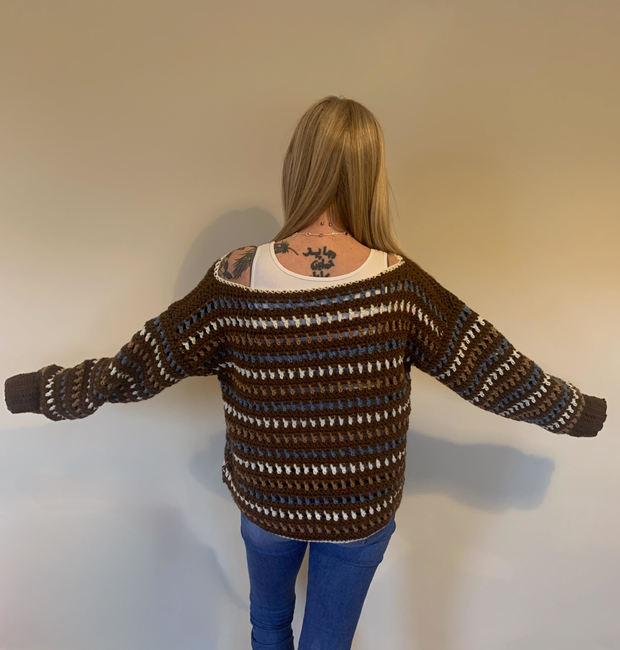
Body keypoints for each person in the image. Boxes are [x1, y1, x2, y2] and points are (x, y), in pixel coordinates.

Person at [4, 95, 608, 650]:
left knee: (268, 624)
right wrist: (572, 410)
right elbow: (488, 365)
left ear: (298, 167)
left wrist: (45, 391)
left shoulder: (237, 276)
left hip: (267, 499)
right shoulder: (399, 285)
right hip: (359, 509)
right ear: (371, 175)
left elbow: (140, 364)